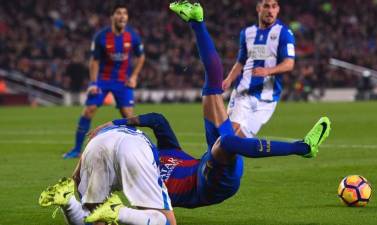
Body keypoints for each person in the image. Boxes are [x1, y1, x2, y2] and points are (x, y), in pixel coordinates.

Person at [81, 1, 331, 209]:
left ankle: (197, 20)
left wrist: (116, 123)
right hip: (210, 186)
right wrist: (113, 207)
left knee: (210, 89)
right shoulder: (144, 183)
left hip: (208, 160)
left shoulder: (160, 153)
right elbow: (157, 213)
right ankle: (302, 147)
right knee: (229, 142)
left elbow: (157, 120)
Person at [39, 125, 177, 225]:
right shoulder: (143, 141)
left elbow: (91, 144)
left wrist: (77, 172)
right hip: (134, 149)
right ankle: (118, 211)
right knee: (167, 222)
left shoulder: (105, 131)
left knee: (95, 217)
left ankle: (68, 201)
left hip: (95, 148)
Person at [63, 2, 146, 159]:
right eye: (119, 13)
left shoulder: (132, 36)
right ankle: (76, 149)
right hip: (103, 79)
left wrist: (134, 76)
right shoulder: (101, 36)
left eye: (125, 13)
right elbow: (94, 61)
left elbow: (141, 56)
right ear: (112, 16)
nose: (122, 16)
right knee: (89, 110)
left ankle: (135, 149)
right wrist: (94, 83)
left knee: (128, 115)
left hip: (123, 81)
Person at [222, 0, 296, 137]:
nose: (270, 10)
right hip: (243, 93)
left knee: (241, 141)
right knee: (228, 138)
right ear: (258, 8)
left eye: (274, 7)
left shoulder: (284, 33)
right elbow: (240, 62)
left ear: (278, 9)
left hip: (267, 99)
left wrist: (268, 71)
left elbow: (289, 63)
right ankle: (211, 158)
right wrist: (228, 79)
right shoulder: (247, 33)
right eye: (266, 6)